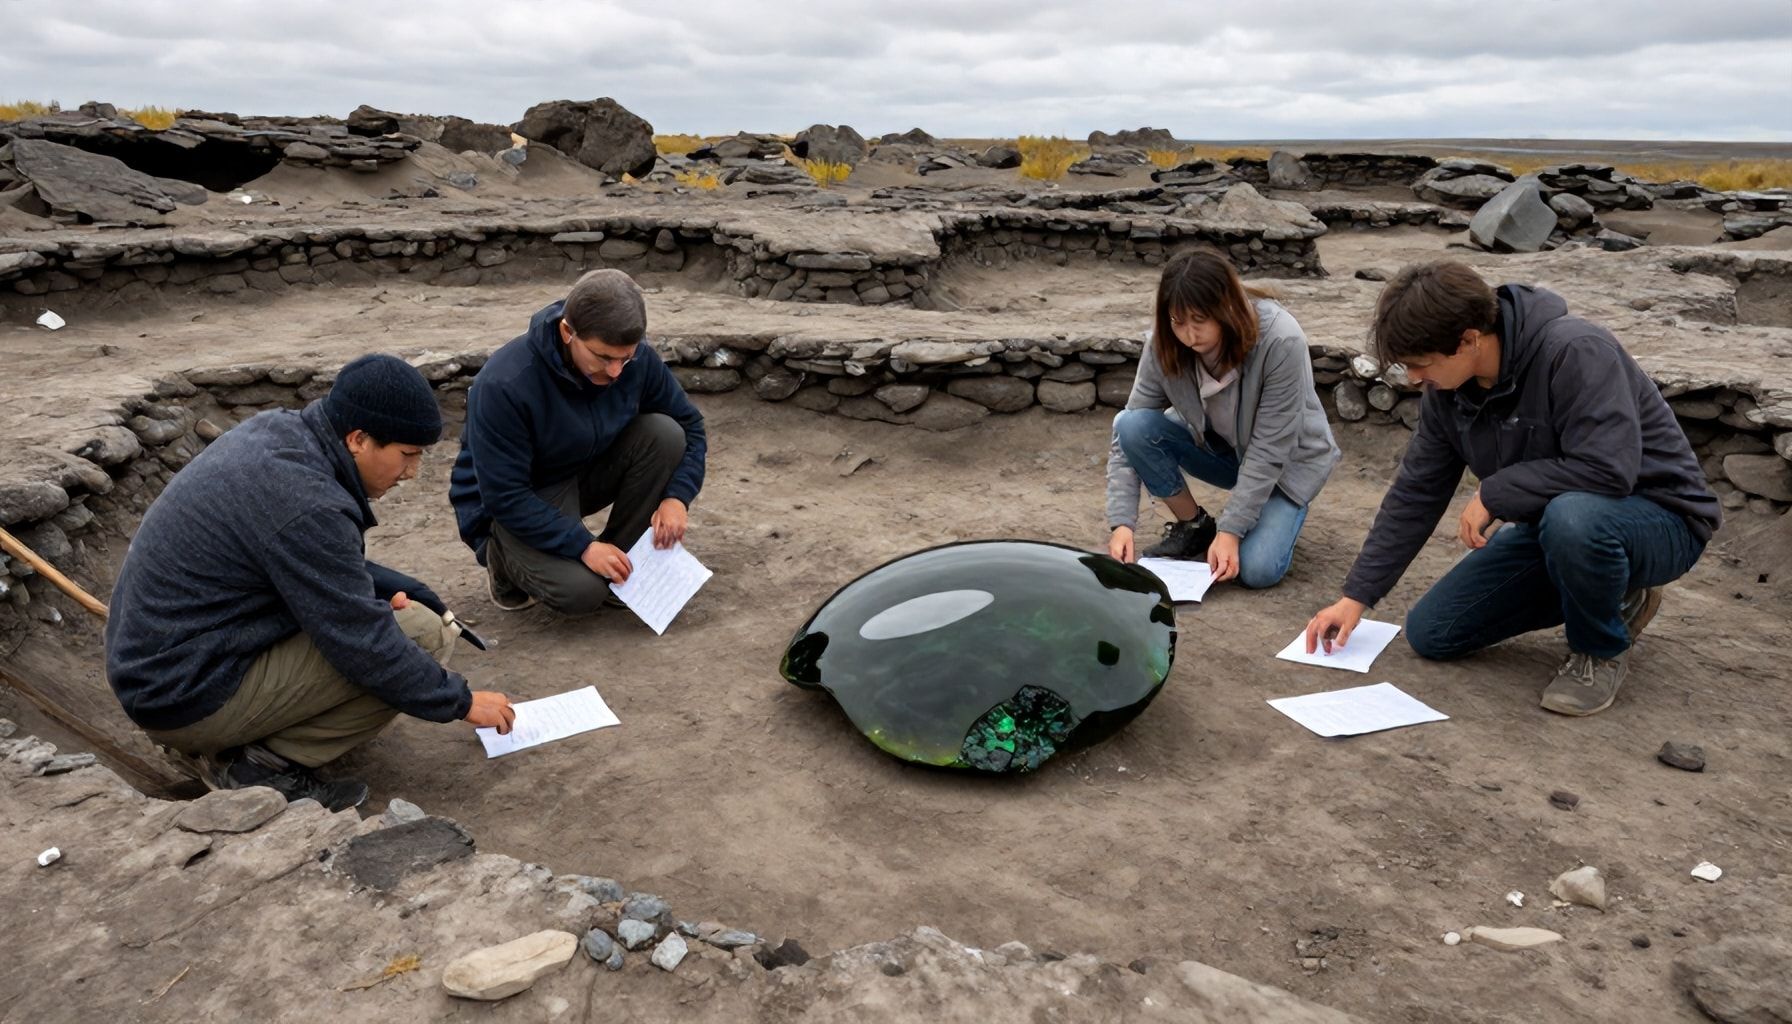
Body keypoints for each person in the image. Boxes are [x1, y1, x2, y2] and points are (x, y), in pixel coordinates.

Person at [1304, 260, 1720, 716]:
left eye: (1421, 365)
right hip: (1557, 527)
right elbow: (1416, 492)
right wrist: (1356, 597)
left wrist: (1495, 493)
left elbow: (1609, 470)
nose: (1415, 379)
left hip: (1660, 519)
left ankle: (1599, 649)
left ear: (1469, 339)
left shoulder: (1576, 351)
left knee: (1574, 519)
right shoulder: (1449, 392)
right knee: (1434, 632)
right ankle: (1611, 588)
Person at [106, 355, 516, 811]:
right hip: (183, 693)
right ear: (358, 439)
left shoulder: (282, 434)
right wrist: (460, 702)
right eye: (407, 454)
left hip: (169, 662)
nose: (412, 473)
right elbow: (362, 642)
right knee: (419, 635)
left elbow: (292, 560)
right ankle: (258, 765)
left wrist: (371, 588)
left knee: (389, 616)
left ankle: (259, 738)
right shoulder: (307, 502)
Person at [451, 269, 707, 615]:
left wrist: (678, 498)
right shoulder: (504, 384)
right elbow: (504, 495)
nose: (616, 371)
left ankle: (622, 564)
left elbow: (690, 426)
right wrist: (584, 546)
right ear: (567, 332)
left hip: (582, 467)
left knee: (665, 433)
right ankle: (503, 561)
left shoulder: (636, 360)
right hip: (522, 495)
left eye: (625, 357)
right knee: (581, 594)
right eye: (603, 357)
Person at [1105, 248, 1340, 588]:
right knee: (1133, 425)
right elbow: (1126, 433)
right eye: (1178, 321)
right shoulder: (1165, 342)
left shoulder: (1280, 340)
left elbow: (1270, 450)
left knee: (1257, 570)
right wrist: (1122, 523)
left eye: (1199, 321)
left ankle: (1266, 520)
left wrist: (1232, 530)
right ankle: (1195, 527)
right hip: (1224, 453)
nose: (1188, 335)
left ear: (1226, 309)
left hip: (1286, 467)